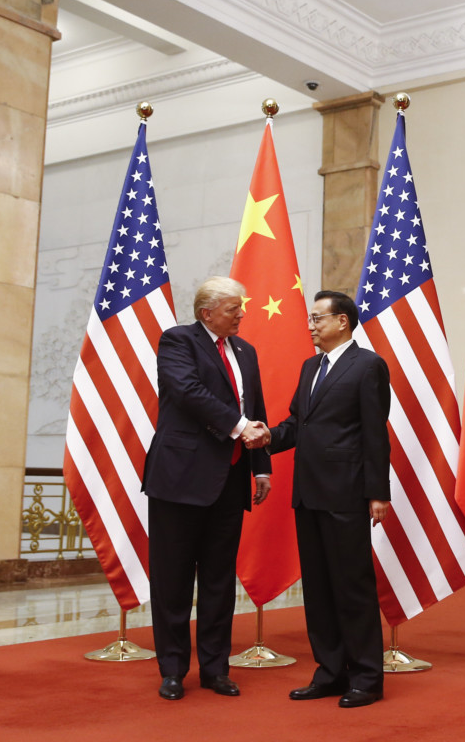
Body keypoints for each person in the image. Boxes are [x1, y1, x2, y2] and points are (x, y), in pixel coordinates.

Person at [142, 276, 272, 701]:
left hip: (229, 484)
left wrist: (261, 467)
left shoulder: (246, 352)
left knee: (218, 582)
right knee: (173, 581)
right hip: (179, 480)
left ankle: (216, 668)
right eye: (234, 308)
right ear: (206, 313)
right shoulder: (178, 342)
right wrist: (239, 428)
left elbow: (256, 410)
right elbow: (187, 392)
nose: (242, 314)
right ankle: (174, 670)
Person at [269, 290, 391, 709]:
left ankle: (367, 678)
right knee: (319, 589)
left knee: (351, 586)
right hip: (308, 492)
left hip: (346, 492)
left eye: (317, 318)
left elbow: (376, 433)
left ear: (342, 321)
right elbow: (296, 424)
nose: (311, 326)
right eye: (310, 319)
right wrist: (264, 438)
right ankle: (330, 671)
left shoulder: (368, 365)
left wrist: (377, 493)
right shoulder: (310, 368)